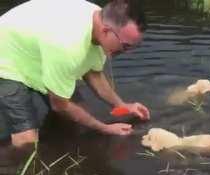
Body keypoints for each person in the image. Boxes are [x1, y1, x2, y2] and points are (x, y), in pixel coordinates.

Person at [0, 0, 150, 152]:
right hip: (7, 57)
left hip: (38, 51)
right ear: (105, 31)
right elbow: (60, 104)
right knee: (28, 142)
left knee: (78, 114)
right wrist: (105, 128)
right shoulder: (68, 45)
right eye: (125, 46)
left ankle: (55, 147)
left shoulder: (102, 20)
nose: (127, 52)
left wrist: (122, 105)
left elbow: (94, 74)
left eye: (133, 46)